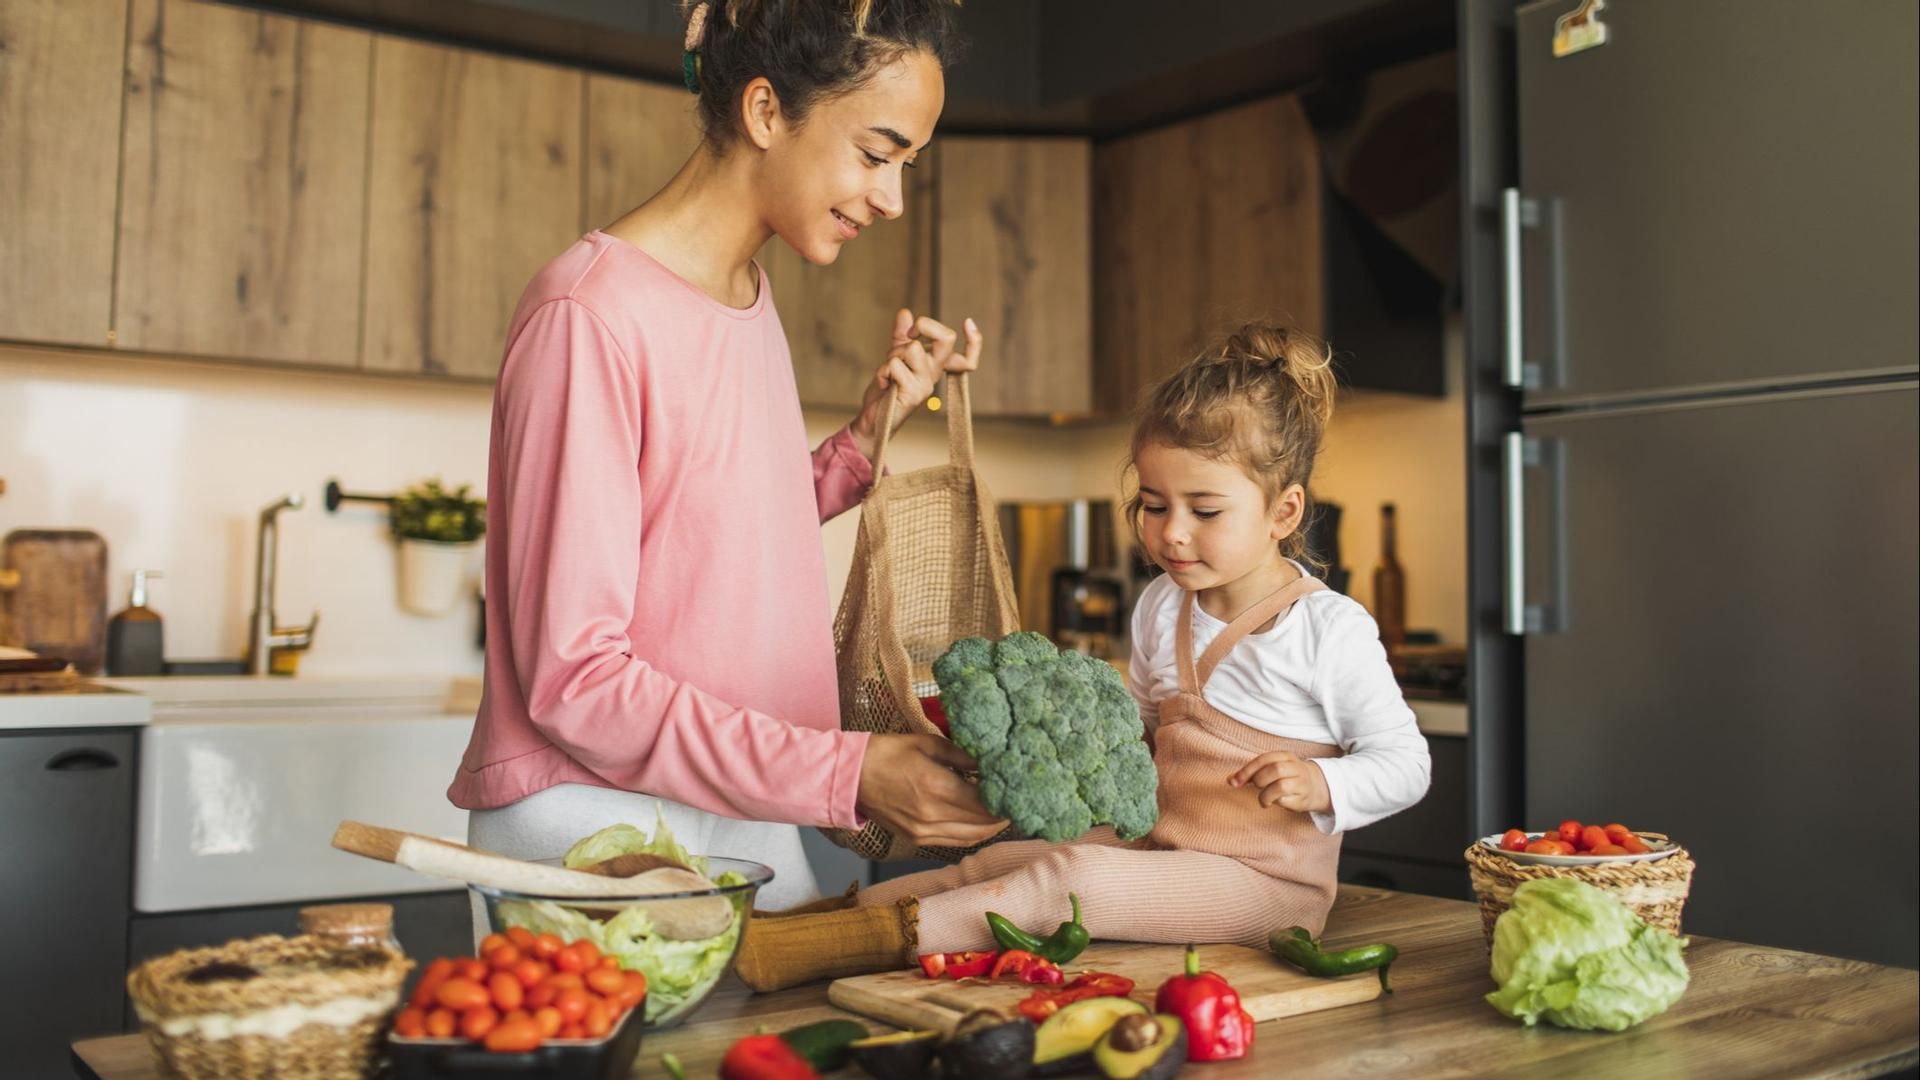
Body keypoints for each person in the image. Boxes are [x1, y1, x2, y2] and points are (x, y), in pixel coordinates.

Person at [449, 0, 1004, 922]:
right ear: (763, 114)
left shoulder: (745, 291)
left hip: (748, 806)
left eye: (909, 165)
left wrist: (865, 437)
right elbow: (572, 680)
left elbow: (711, 527)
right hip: (600, 829)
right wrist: (849, 769)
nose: (892, 197)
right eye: (875, 154)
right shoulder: (587, 317)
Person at [735, 323, 1431, 990]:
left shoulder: (1326, 628)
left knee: (1073, 881)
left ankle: (839, 948)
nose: (1173, 534)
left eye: (1205, 511)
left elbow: (1406, 764)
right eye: (1154, 505)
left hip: (1266, 886)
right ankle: (794, 932)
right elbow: (1138, 726)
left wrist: (1322, 784)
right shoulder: (1164, 604)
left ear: (1283, 513)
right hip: (1164, 849)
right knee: (1003, 860)